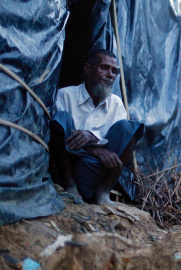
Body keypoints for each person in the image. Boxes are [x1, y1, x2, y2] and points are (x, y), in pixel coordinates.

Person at [49, 49, 145, 206]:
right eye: (104, 68)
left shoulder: (116, 103)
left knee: (130, 128)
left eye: (114, 71)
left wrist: (92, 138)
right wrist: (95, 149)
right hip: (68, 168)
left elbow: (120, 141)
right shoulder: (65, 95)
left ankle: (104, 191)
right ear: (88, 69)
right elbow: (61, 136)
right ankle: (70, 185)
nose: (110, 75)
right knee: (61, 119)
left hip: (98, 171)